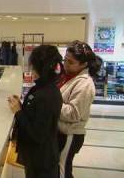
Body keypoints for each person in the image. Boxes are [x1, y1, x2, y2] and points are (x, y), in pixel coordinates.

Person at [8, 45, 63, 178]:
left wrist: (18, 112)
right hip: (37, 158)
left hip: (42, 161)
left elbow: (37, 134)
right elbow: (36, 115)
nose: (31, 69)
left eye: (33, 65)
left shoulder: (46, 94)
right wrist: (21, 106)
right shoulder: (43, 87)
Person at [58, 40, 102, 178]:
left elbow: (72, 114)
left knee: (62, 172)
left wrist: (50, 103)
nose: (65, 64)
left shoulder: (85, 84)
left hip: (70, 135)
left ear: (84, 64)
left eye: (70, 62)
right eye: (65, 60)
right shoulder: (68, 76)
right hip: (61, 133)